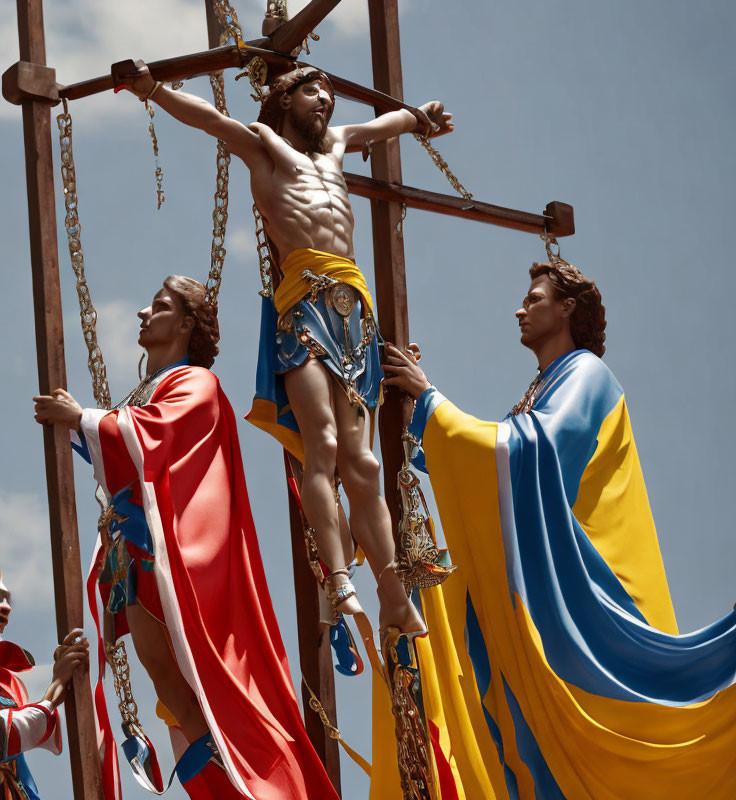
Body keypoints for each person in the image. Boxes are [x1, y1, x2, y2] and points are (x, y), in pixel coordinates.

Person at [115, 62, 453, 633]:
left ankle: (394, 590)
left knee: (364, 461)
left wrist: (419, 118)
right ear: (285, 98)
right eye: (311, 91)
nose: (324, 101)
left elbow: (382, 126)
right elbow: (209, 119)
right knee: (321, 444)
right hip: (305, 307)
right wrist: (153, 90)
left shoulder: (338, 145)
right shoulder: (266, 146)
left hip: (354, 310)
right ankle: (340, 575)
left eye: (327, 91)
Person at [382, 261, 736, 799]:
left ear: (568, 308)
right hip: (552, 587)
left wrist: (433, 405)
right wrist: (421, 429)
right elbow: (501, 470)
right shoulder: (544, 386)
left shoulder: (587, 375)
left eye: (535, 298)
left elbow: (533, 453)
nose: (521, 310)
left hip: (591, 592)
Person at [33, 276, 339, 800]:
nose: (143, 315)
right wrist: (78, 426)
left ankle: (259, 787)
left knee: (205, 688)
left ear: (187, 323)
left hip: (177, 563)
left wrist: (81, 418)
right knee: (171, 691)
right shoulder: (148, 390)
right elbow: (129, 445)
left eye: (160, 306)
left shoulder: (198, 383)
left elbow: (153, 434)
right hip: (136, 556)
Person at [0, 569, 89, 800]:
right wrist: (53, 691)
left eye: (8, 599)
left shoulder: (9, 679)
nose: (6, 607)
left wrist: (63, 671)